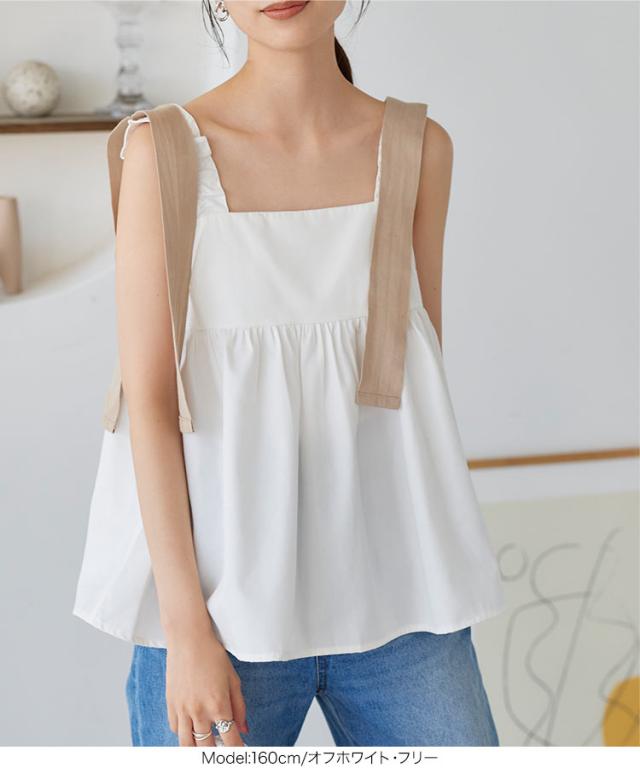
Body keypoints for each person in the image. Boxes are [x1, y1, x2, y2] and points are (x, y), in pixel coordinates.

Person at [73, 0, 506, 748]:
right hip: (215, 613)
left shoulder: (418, 148)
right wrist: (187, 632)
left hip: (402, 606)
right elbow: (150, 402)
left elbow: (414, 385)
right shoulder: (162, 152)